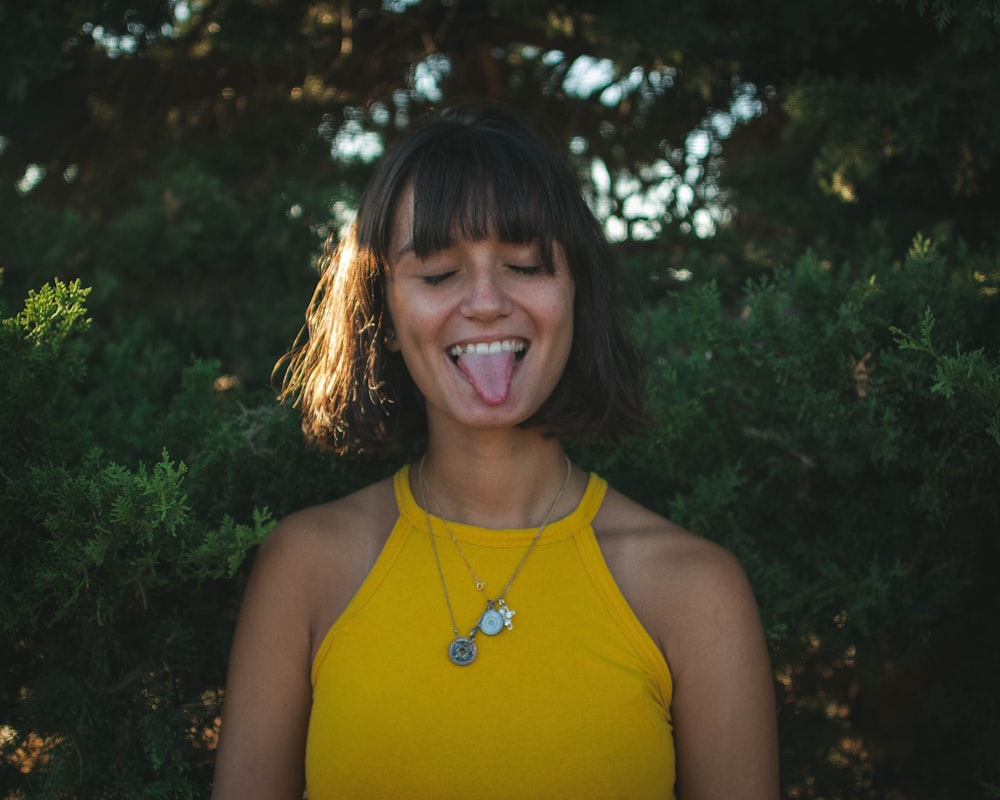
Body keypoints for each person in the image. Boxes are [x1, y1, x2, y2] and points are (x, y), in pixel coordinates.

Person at [211, 103, 779, 799]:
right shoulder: (305, 568)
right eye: (438, 273)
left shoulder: (696, 593)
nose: (485, 302)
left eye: (525, 264)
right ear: (383, 314)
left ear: (575, 295)